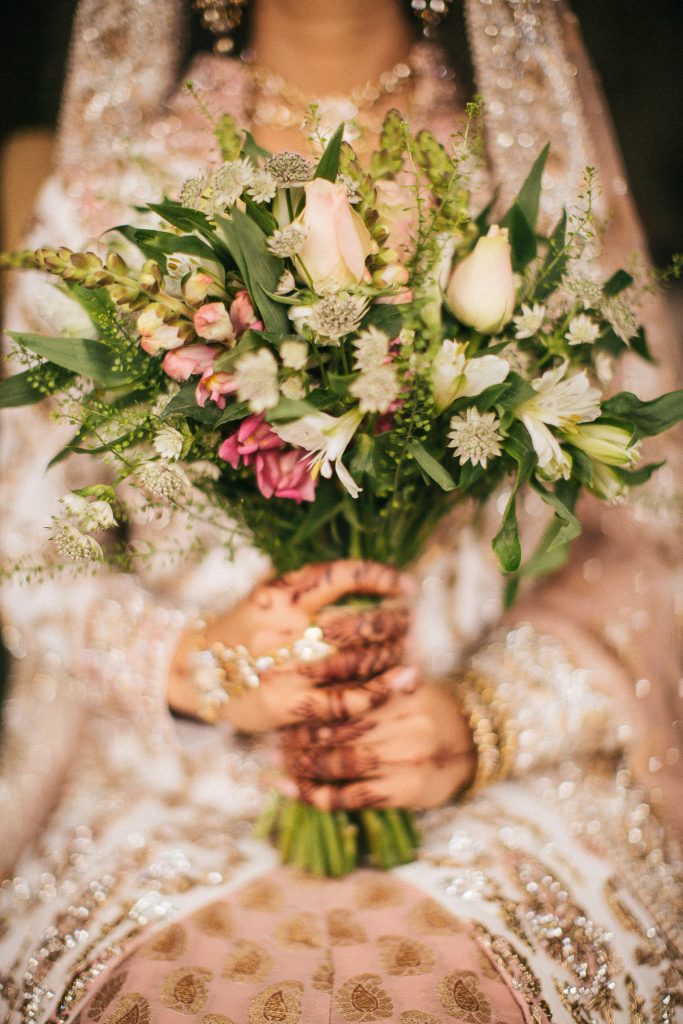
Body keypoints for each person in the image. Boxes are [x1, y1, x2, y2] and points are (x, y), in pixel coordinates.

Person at [0, 1, 681, 1021]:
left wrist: (482, 721)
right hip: (166, 777)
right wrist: (192, 664)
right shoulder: (111, 191)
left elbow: (643, 532)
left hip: (488, 775)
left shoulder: (530, 187)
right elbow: (27, 542)